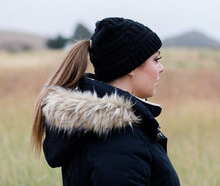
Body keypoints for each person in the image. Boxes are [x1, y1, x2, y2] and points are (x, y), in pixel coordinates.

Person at [31, 17, 180, 185]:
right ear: (131, 65)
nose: (161, 68)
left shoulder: (105, 130)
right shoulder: (121, 142)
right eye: (156, 59)